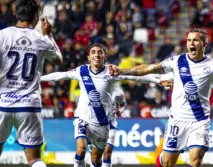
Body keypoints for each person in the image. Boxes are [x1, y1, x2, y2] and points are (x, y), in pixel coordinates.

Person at [108, 28, 213, 167]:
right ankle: (160, 159)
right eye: (189, 40)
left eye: (196, 40)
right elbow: (149, 68)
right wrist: (121, 71)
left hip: (200, 120)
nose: (191, 43)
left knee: (196, 159)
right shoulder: (177, 61)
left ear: (204, 44)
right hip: (178, 120)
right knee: (167, 162)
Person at [40, 43, 172, 167]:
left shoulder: (111, 72)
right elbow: (60, 75)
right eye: (93, 52)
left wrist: (158, 80)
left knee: (96, 159)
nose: (96, 55)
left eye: (100, 52)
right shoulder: (81, 71)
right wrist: (39, 78)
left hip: (102, 123)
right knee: (80, 148)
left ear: (105, 57)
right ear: (89, 57)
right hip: (83, 119)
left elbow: (136, 77)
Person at [0, 0, 63, 167]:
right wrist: (49, 34)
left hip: (2, 104)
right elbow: (58, 60)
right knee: (34, 160)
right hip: (29, 106)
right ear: (36, 16)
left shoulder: (2, 36)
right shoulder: (41, 39)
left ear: (15, 12)